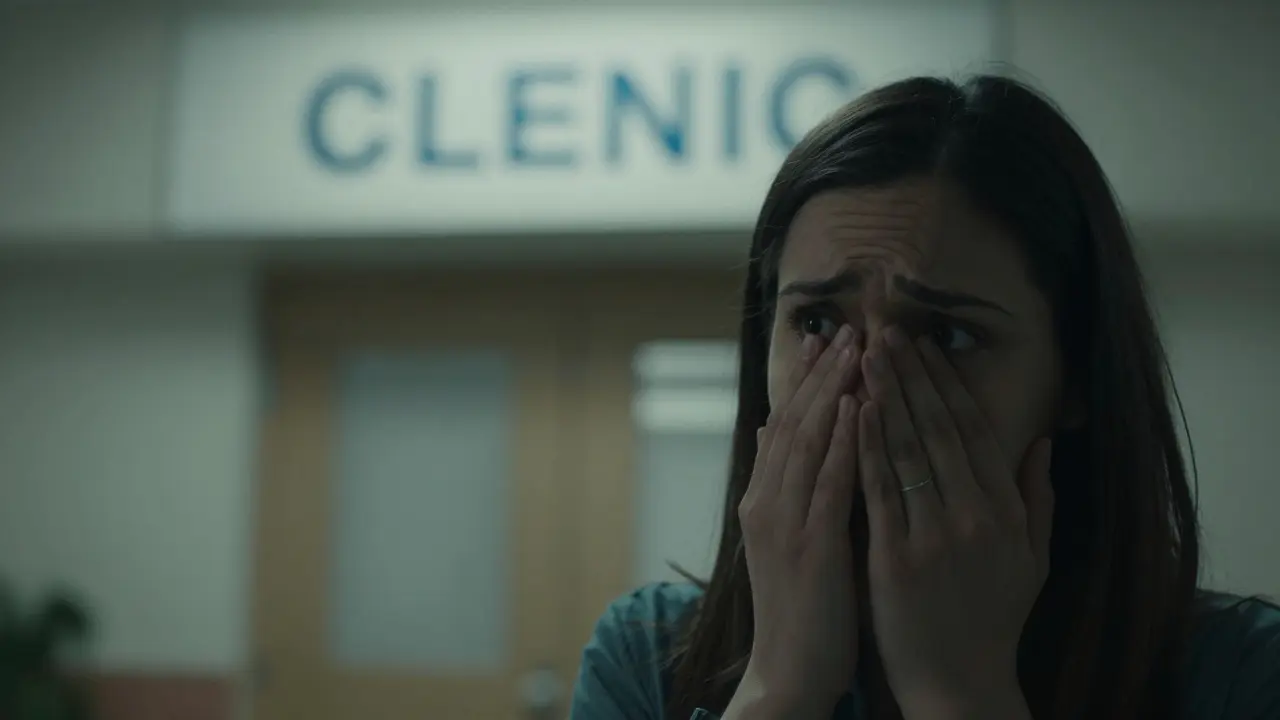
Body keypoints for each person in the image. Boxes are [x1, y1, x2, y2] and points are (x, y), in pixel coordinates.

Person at [566, 74, 1280, 720]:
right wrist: (778, 690)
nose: (865, 391)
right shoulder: (646, 662)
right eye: (816, 323)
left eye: (944, 335)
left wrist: (961, 698)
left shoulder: (1243, 677)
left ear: (1076, 380)